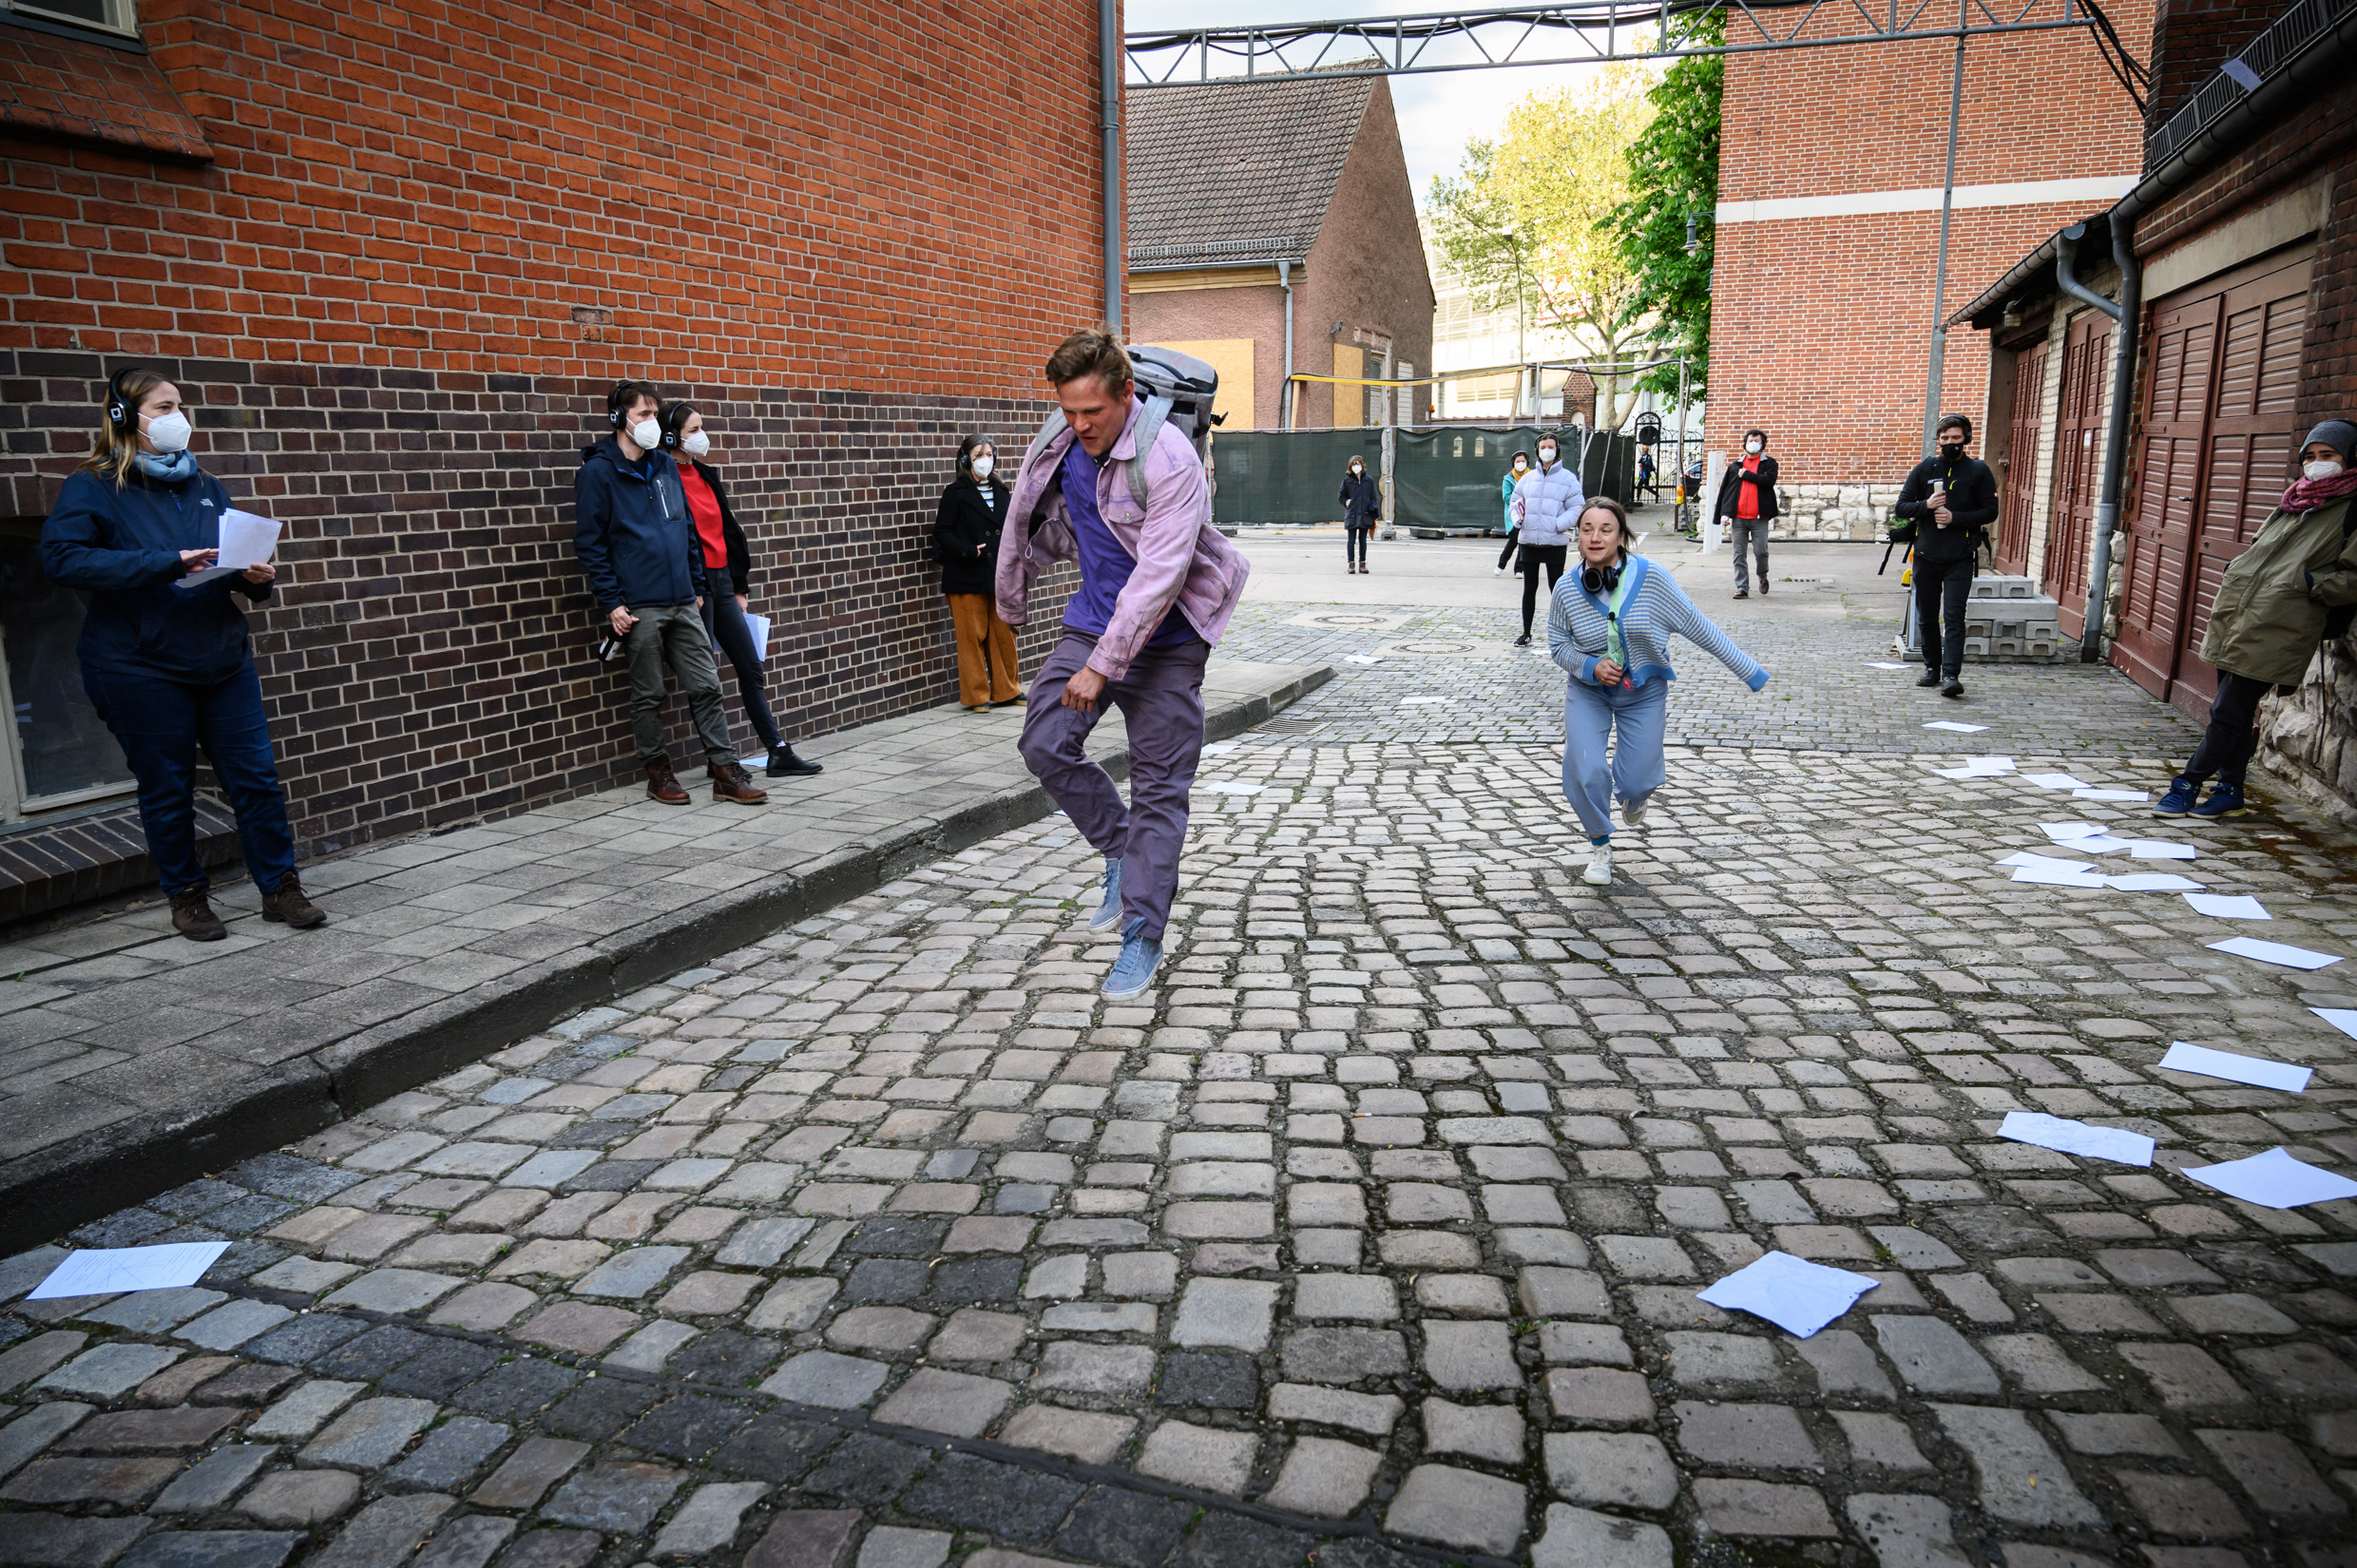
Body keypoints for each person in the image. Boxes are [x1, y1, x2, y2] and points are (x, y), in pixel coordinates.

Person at [998, 327, 1250, 999]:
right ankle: (1117, 849)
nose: (1079, 425)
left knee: (1161, 792)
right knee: (1045, 743)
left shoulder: (1168, 458)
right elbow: (1032, 514)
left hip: (1167, 642)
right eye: (1068, 411)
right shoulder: (1061, 441)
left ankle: (1141, 936)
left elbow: (1159, 578)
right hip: (1092, 623)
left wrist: (1102, 667)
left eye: (1093, 413)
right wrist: (1010, 589)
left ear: (1127, 396)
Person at [40, 368, 327, 941]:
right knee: (167, 786)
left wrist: (255, 576)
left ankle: (280, 889)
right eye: (165, 407)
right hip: (138, 663)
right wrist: (167, 562)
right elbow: (62, 560)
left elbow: (230, 562)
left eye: (180, 405)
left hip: (219, 655)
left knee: (257, 780)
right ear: (127, 418)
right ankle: (188, 897)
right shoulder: (94, 485)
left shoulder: (205, 484)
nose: (179, 417)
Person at [1548, 496, 1768, 888]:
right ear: (1577, 537)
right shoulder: (1566, 588)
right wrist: (1590, 666)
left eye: (1605, 529)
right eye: (1586, 530)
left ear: (1621, 537)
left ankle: (1635, 793)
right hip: (1588, 692)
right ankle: (1600, 845)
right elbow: (1556, 643)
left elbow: (1697, 625)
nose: (1595, 537)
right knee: (1586, 767)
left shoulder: (1652, 578)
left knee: (1636, 782)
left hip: (1644, 692)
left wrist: (1747, 669)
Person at [574, 380, 767, 807]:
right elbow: (591, 544)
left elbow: (687, 531)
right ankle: (658, 772)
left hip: (684, 599)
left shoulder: (663, 464)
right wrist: (612, 603)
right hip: (638, 605)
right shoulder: (598, 472)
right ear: (618, 418)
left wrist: (697, 585)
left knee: (706, 685)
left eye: (654, 416)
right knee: (649, 693)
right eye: (643, 415)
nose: (651, 423)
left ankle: (724, 770)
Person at [2156, 420, 2357, 819]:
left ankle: (2187, 783)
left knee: (2227, 711)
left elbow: (2352, 578)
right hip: (2241, 616)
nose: (2317, 465)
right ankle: (2230, 790)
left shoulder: (2352, 509)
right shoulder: (2294, 501)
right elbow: (2259, 549)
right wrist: (2239, 569)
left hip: (2283, 624)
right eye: (2311, 457)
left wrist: (2307, 583)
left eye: (2329, 456)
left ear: (2349, 458)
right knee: (2231, 711)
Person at [660, 403, 821, 778]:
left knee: (750, 666)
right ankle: (721, 761)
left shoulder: (704, 474)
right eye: (694, 429)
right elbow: (672, 538)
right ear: (673, 437)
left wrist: (738, 584)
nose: (702, 436)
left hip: (721, 582)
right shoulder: (663, 478)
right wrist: (690, 586)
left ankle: (778, 751)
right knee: (704, 679)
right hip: (694, 588)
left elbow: (728, 532)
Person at [1890, 413, 1999, 698]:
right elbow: (1901, 507)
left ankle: (1951, 675)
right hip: (1925, 554)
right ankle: (1932, 669)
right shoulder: (1925, 469)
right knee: (1926, 617)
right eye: (1945, 439)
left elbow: (1990, 511)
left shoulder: (1978, 471)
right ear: (1938, 440)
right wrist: (1925, 505)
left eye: (1956, 438)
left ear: (1966, 439)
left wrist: (1955, 517)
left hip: (1960, 557)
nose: (1950, 443)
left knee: (1953, 617)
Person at [935, 434, 1025, 711]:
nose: (984, 460)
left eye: (988, 454)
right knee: (971, 639)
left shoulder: (1001, 490)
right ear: (965, 460)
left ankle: (1007, 691)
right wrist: (968, 550)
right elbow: (942, 532)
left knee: (1003, 635)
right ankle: (976, 696)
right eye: (977, 455)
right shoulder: (955, 493)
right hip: (965, 576)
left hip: (997, 575)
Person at [1508, 433, 1583, 646]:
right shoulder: (1528, 478)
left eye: (1551, 446)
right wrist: (1517, 519)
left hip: (1555, 542)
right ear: (1537, 451)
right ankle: (1526, 632)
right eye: (1543, 446)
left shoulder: (1568, 479)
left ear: (1557, 450)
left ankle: (1563, 633)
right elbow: (1515, 502)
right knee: (1529, 588)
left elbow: (1577, 507)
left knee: (1556, 590)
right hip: (1529, 540)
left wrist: (1559, 524)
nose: (1547, 450)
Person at [1715, 429, 1779, 599]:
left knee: (1761, 551)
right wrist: (1725, 513)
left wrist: (1748, 475)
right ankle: (1742, 587)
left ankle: (1762, 576)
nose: (1753, 443)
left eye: (1757, 440)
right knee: (1738, 554)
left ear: (1763, 444)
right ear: (1744, 443)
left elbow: (1768, 481)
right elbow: (1728, 492)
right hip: (1739, 519)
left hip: (1759, 518)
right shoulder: (1735, 466)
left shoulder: (1770, 464)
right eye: (1750, 440)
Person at [1338, 456, 1380, 575]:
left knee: (1363, 540)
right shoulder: (1347, 481)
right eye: (1354, 464)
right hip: (1352, 515)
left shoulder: (1369, 481)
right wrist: (1348, 502)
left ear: (1362, 465)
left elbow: (1373, 498)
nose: (1356, 466)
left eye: (1358, 464)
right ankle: (1351, 564)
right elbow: (1341, 496)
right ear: (1350, 466)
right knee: (1351, 541)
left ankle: (1362, 564)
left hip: (1365, 515)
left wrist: (1373, 511)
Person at [1494, 450, 1531, 571]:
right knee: (1514, 540)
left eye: (1523, 461)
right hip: (1514, 515)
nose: (1521, 463)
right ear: (1513, 463)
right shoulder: (1508, 480)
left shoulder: (1533, 477)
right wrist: (1521, 498)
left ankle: (1519, 569)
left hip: (1529, 515)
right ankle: (1501, 564)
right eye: (1518, 461)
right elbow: (1506, 497)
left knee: (1524, 543)